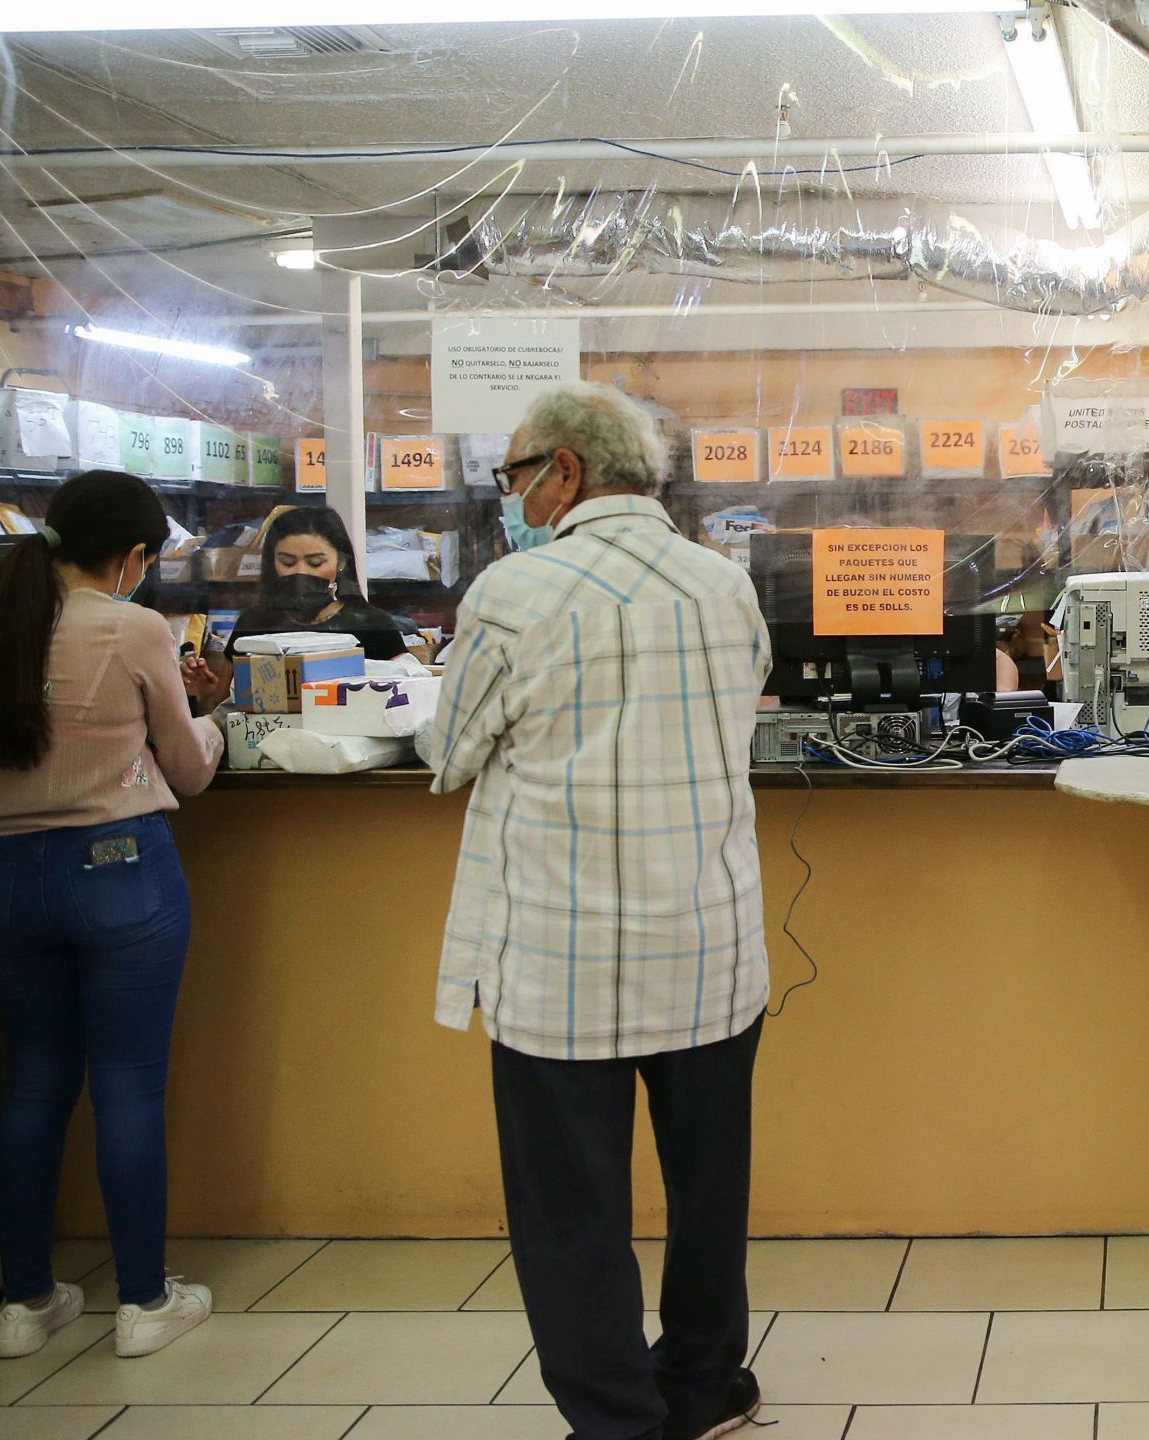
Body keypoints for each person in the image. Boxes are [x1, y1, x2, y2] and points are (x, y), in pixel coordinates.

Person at [423, 383, 773, 1440]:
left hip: (562, 958)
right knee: (708, 1192)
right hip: (709, 945)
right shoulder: (723, 584)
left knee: (572, 1209)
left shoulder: (514, 593)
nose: (512, 496)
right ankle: (704, 1386)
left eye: (514, 474)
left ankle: (618, 1421)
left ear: (564, 471)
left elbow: (447, 755)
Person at [0, 470, 230, 1362]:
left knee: (33, 1081)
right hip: (120, 873)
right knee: (128, 1085)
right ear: (133, 556)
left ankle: (24, 1304)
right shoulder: (133, 626)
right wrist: (207, 719)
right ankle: (142, 1302)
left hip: (5, 877)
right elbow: (188, 769)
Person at [228, 506, 415, 661]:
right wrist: (205, 689)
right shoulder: (254, 623)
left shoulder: (372, 625)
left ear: (341, 562)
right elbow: (221, 699)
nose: (300, 572)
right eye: (287, 562)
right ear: (272, 562)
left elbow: (404, 696)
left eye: (315, 563)